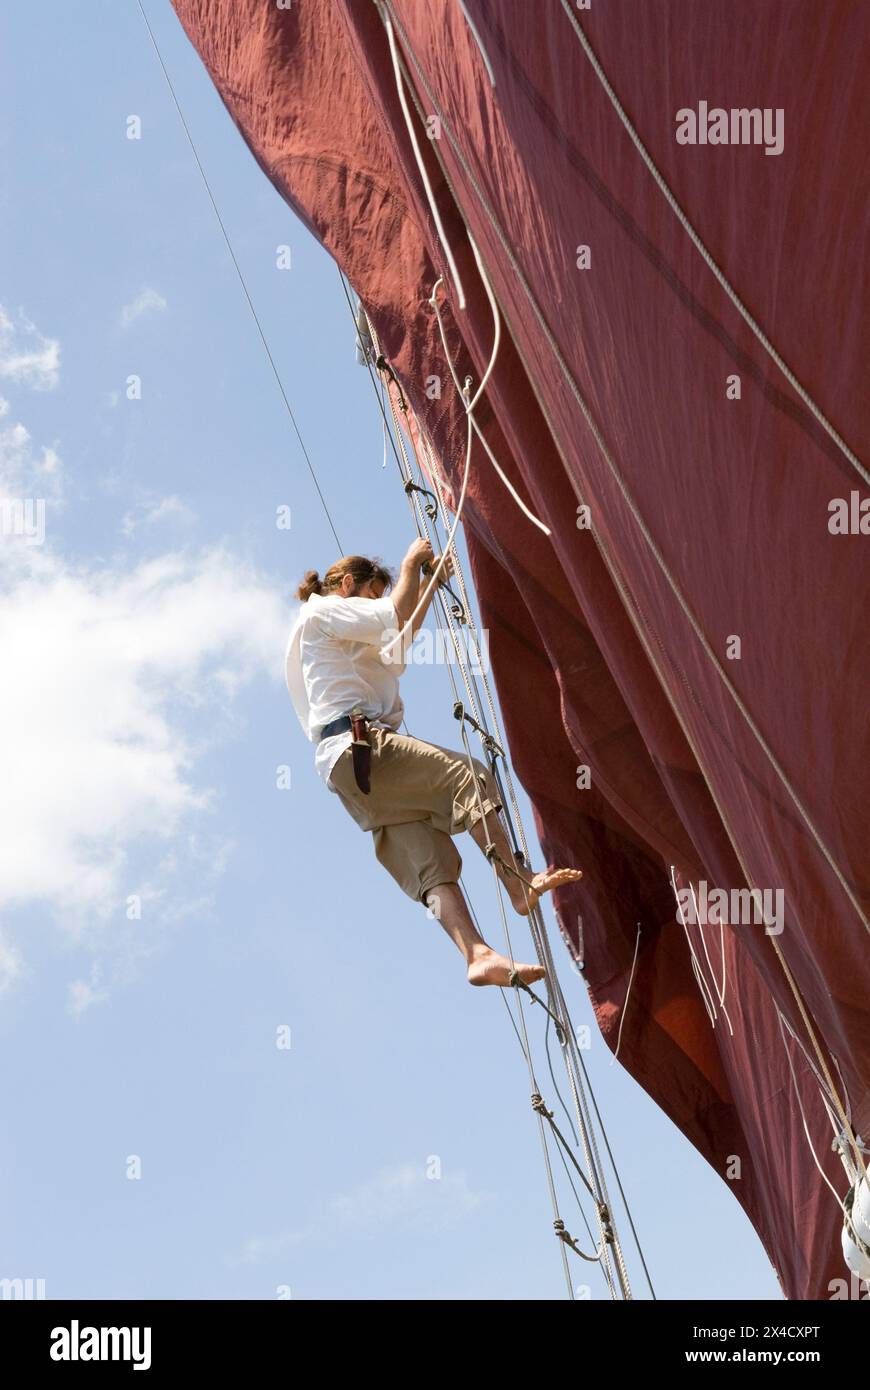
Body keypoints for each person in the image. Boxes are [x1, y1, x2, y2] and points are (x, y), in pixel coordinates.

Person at [284, 538, 582, 987]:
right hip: (359, 745)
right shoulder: (322, 612)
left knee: (430, 862)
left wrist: (424, 586)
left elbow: (398, 644)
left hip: (346, 770)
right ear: (347, 585)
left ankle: (477, 954)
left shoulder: (338, 635)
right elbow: (392, 616)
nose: (379, 604)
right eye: (372, 594)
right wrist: (410, 566)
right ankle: (517, 883)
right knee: (468, 777)